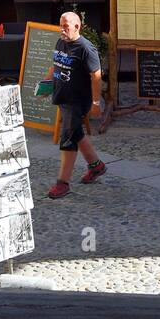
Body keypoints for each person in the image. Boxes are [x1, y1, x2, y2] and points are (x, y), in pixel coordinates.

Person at [47, 11, 105, 199]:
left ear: (77, 27)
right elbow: (56, 64)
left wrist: (96, 103)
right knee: (76, 133)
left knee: (68, 138)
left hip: (77, 100)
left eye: (66, 26)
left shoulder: (86, 49)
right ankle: (96, 166)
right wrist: (46, 84)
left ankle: (62, 183)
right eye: (60, 25)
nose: (62, 29)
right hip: (62, 96)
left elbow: (96, 76)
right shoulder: (61, 42)